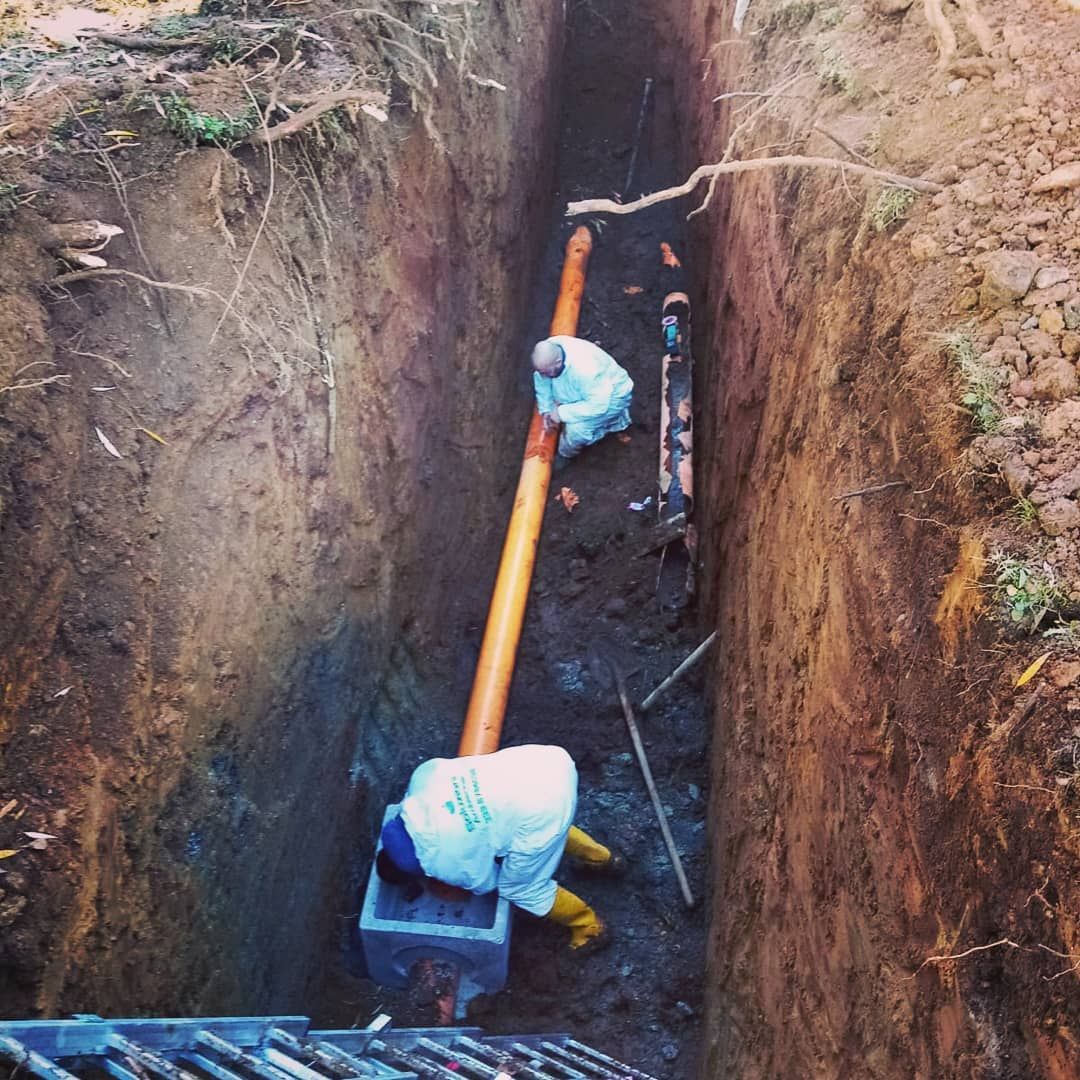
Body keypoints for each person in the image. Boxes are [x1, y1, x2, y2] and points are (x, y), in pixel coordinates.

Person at [376, 744, 623, 952]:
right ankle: (601, 858)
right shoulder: (422, 777)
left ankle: (589, 927)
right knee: (528, 826)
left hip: (545, 811)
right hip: (545, 764)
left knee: (517, 887)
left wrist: (448, 886)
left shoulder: (441, 860)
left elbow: (488, 883)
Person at [531, 336, 634, 468]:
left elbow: (599, 405)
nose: (543, 374)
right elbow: (542, 379)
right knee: (558, 394)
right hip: (588, 391)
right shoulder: (550, 354)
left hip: (612, 397)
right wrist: (546, 409)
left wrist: (560, 413)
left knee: (576, 431)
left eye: (545, 372)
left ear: (558, 362)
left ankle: (566, 454)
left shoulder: (585, 369)